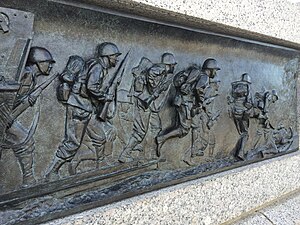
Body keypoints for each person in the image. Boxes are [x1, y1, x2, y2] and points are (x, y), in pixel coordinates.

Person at [44, 42, 122, 181]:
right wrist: (105, 97)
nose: (116, 59)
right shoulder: (97, 66)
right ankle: (52, 172)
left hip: (86, 109)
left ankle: (101, 162)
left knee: (100, 137)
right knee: (72, 142)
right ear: (108, 56)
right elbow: (91, 87)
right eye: (115, 56)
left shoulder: (96, 65)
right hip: (79, 109)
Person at [1, 47, 55, 187]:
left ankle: (28, 179)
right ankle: (28, 180)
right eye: (47, 62)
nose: (50, 66)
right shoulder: (26, 75)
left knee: (26, 141)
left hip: (7, 117)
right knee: (25, 141)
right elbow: (8, 98)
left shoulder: (31, 77)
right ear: (37, 62)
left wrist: (28, 99)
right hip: (3, 116)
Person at [156, 58, 220, 159]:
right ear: (210, 69)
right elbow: (198, 88)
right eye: (215, 70)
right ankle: (161, 138)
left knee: (190, 126)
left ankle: (193, 150)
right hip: (186, 104)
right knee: (184, 129)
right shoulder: (205, 77)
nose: (215, 73)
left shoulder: (198, 74)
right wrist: (200, 103)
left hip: (184, 102)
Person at [118, 53, 176, 163]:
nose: (174, 67)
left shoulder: (163, 73)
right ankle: (125, 154)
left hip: (150, 105)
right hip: (143, 102)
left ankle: (150, 155)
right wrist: (155, 90)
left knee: (156, 127)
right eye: (173, 65)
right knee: (140, 131)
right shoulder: (159, 69)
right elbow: (152, 77)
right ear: (170, 64)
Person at [227, 73, 253, 160]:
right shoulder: (247, 88)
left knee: (240, 133)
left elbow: (230, 99)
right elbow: (249, 103)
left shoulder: (235, 87)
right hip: (243, 114)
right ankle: (240, 153)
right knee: (245, 134)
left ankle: (234, 152)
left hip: (235, 113)